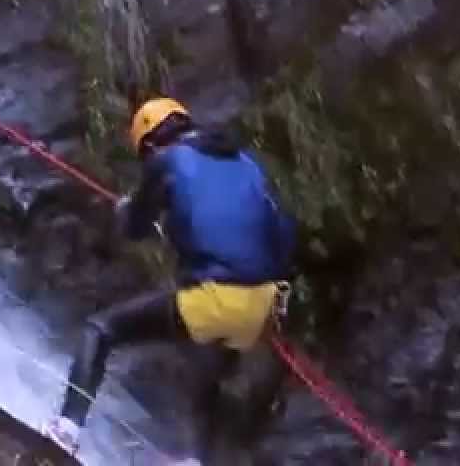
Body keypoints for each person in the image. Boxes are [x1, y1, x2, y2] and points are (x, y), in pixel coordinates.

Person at [42, 97, 296, 463]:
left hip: (214, 299)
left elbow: (135, 227)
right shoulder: (246, 163)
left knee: (100, 330)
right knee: (207, 369)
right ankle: (194, 459)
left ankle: (67, 430)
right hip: (262, 306)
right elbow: (282, 234)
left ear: (150, 143)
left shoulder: (167, 161)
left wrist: (128, 209)